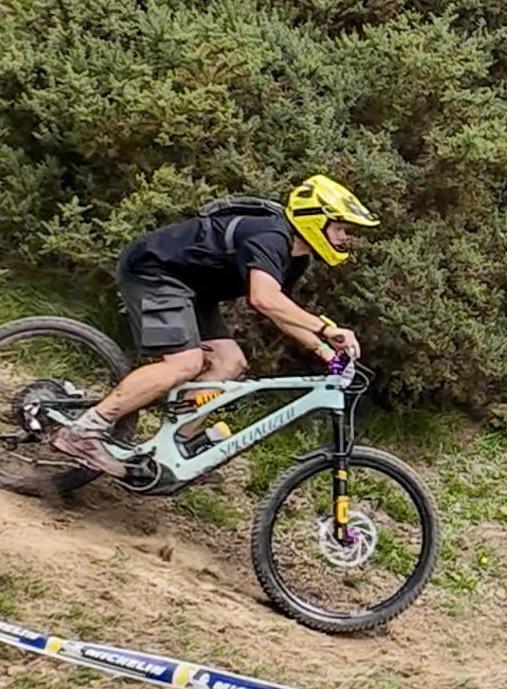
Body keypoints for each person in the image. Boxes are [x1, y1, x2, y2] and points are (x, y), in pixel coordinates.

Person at [52, 176, 376, 477]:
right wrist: (324, 329)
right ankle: (83, 431)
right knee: (185, 363)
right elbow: (264, 298)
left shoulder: (296, 257)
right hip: (155, 272)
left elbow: (279, 310)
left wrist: (323, 351)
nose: (347, 238)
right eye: (341, 229)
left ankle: (171, 449)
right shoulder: (270, 237)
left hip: (193, 290)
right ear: (316, 220)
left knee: (229, 361)